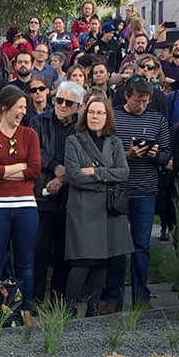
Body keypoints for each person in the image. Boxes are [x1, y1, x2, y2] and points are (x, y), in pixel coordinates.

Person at [63, 93, 131, 316]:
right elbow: (73, 176)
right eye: (91, 111)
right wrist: (105, 178)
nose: (95, 116)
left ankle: (92, 309)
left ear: (107, 116)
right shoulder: (74, 140)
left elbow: (123, 173)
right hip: (83, 208)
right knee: (81, 261)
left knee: (103, 261)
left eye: (100, 112)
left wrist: (95, 172)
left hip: (108, 209)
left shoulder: (115, 142)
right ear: (85, 114)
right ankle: (68, 308)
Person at [105, 76, 170, 311]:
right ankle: (114, 297)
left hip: (145, 190)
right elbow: (105, 154)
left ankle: (141, 296)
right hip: (118, 190)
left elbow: (166, 156)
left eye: (145, 101)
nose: (141, 106)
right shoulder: (112, 117)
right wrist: (128, 155)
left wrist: (154, 154)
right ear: (127, 96)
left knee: (141, 246)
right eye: (136, 101)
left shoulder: (157, 120)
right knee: (117, 246)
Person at [0, 85, 42, 321]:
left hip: (26, 204)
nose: (23, 111)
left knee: (25, 261)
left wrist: (2, 170)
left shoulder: (30, 135)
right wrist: (19, 167)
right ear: (6, 106)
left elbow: (35, 169)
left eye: (25, 107)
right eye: (20, 106)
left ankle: (24, 309)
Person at [32, 80, 84, 302]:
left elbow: (84, 156)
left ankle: (58, 299)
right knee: (39, 249)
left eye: (68, 102)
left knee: (65, 249)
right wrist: (54, 167)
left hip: (71, 195)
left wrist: (62, 177)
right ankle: (34, 299)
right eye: (59, 100)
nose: (62, 105)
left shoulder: (83, 126)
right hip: (43, 191)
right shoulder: (39, 121)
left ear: (79, 106)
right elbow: (36, 150)